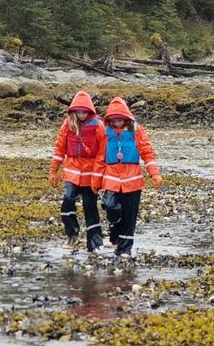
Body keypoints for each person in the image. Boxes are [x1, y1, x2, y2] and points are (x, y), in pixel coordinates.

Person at [96, 96, 160, 257]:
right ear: (109, 120)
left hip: (133, 181)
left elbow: (147, 152)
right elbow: (99, 157)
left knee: (129, 216)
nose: (117, 123)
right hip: (111, 179)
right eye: (114, 120)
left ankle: (125, 249)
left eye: (120, 119)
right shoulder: (105, 132)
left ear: (127, 118)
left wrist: (154, 174)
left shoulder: (137, 130)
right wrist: (95, 180)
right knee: (111, 207)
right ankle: (114, 229)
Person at [48, 90, 105, 251]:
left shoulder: (98, 126)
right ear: (73, 111)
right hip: (72, 171)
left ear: (89, 111)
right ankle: (71, 234)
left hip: (90, 172)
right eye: (78, 111)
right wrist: (53, 170)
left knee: (90, 207)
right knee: (67, 203)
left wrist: (98, 176)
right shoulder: (67, 124)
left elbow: (103, 151)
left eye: (84, 111)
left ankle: (94, 242)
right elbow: (59, 148)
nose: (81, 114)